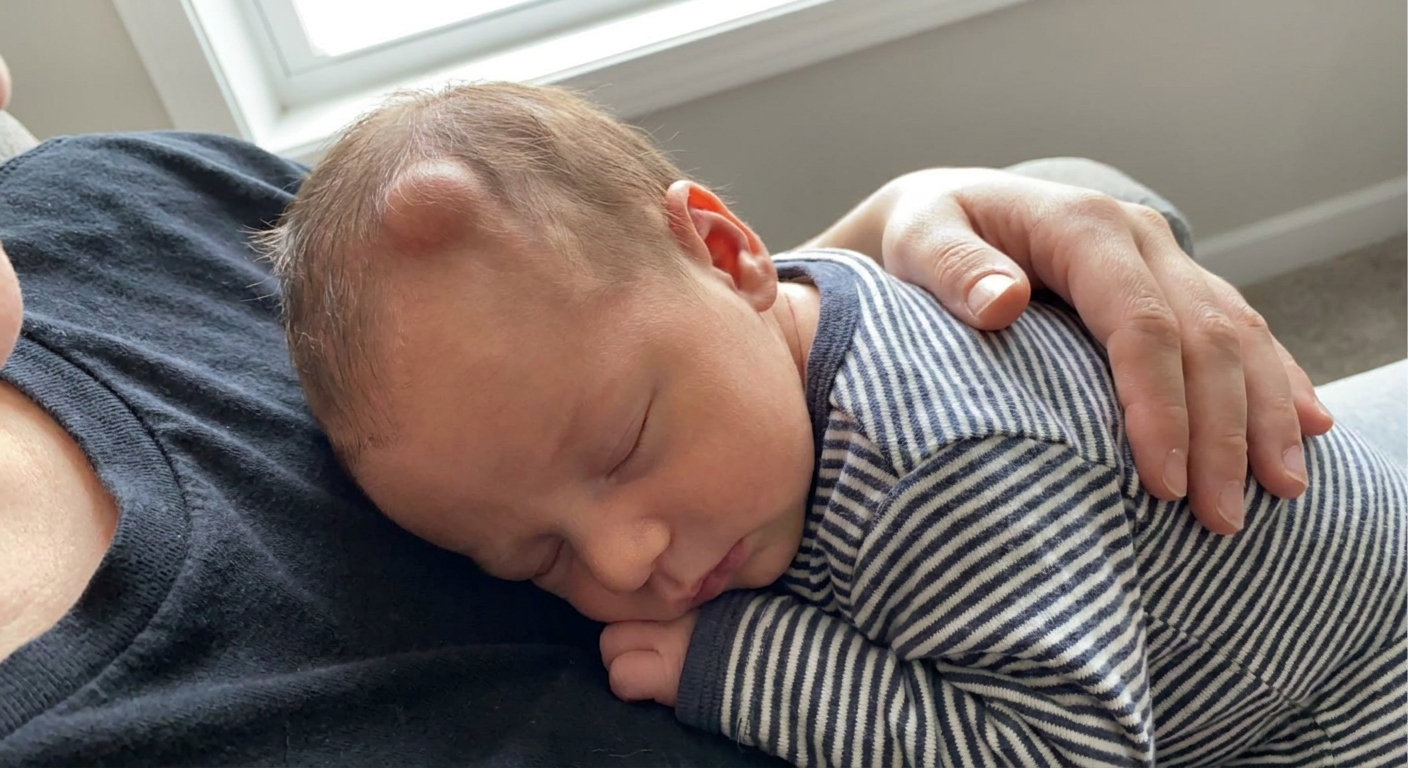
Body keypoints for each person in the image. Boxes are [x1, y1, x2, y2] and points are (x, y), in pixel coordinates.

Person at [0, 60, 1339, 764]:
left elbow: (1074, 750)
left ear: (733, 253)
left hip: (1315, 719)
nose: (631, 563)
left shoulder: (943, 469)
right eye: (531, 556)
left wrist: (740, 667)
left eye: (628, 447)